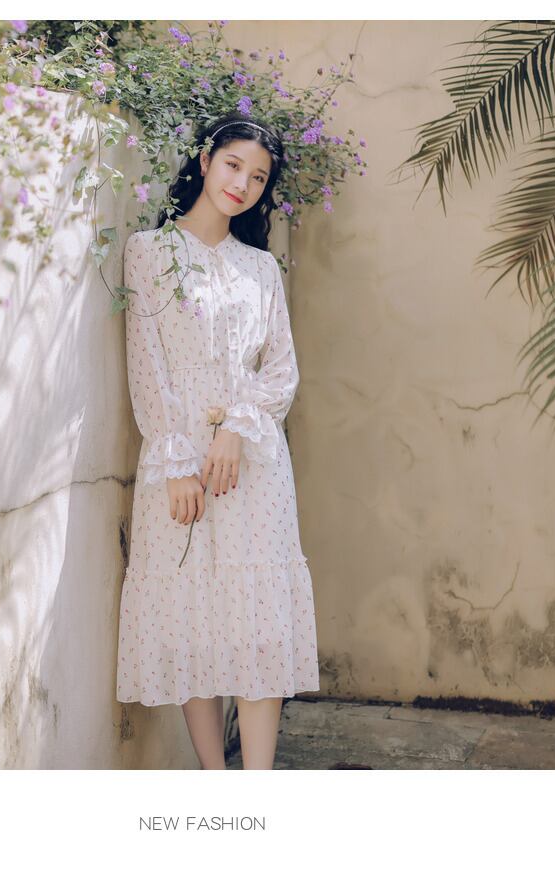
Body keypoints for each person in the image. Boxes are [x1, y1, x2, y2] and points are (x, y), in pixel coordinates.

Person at [116, 111, 320, 769]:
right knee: (190, 621)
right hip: (177, 461)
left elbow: (281, 370)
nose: (243, 184)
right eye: (234, 165)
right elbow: (148, 366)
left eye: (258, 177)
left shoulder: (261, 269)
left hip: (254, 466)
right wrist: (177, 461)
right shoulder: (149, 253)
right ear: (205, 161)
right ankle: (215, 782)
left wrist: (235, 429)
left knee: (259, 628)